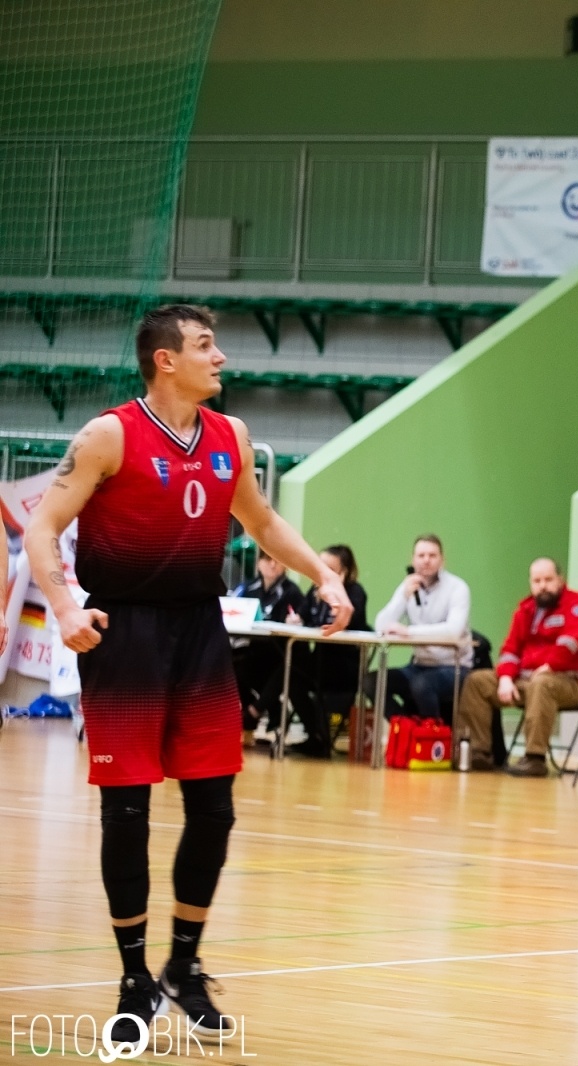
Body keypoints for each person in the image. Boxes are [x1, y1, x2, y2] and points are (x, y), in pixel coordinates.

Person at [22, 303, 351, 1044]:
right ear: (165, 360)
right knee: (127, 813)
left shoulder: (230, 435)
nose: (221, 357)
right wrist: (68, 606)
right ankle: (135, 976)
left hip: (200, 631)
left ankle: (184, 965)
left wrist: (323, 576)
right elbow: (44, 528)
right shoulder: (109, 435)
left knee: (214, 810)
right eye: (207, 346)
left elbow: (261, 522)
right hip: (125, 631)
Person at [452, 557, 578, 778]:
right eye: (537, 581)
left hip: (569, 683)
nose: (542, 586)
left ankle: (535, 758)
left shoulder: (577, 605)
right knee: (477, 681)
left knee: (542, 684)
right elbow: (510, 649)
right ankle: (479, 752)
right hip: (527, 681)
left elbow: (574, 640)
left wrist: (550, 665)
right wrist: (506, 678)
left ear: (560, 580)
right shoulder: (525, 609)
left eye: (548, 579)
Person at [280, 545, 369, 757]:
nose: (322, 572)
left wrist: (330, 605)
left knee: (308, 680)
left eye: (329, 568)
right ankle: (316, 735)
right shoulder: (314, 590)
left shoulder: (354, 592)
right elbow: (303, 616)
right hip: (317, 660)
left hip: (342, 667)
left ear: (343, 572)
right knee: (289, 676)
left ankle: (320, 737)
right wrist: (295, 619)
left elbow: (346, 621)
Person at [374, 534, 471, 721]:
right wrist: (403, 596)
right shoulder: (409, 586)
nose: (426, 560)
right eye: (421, 555)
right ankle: (406, 729)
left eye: (432, 555)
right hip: (419, 665)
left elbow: (452, 632)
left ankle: (433, 737)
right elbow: (380, 626)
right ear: (413, 559)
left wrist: (408, 632)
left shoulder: (458, 588)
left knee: (421, 685)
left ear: (442, 560)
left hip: (454, 666)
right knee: (373, 681)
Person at [230, 549, 304, 740]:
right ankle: (262, 708)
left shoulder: (292, 592)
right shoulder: (247, 588)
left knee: (277, 668)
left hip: (278, 652)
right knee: (229, 663)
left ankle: (254, 712)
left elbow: (299, 619)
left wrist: (295, 621)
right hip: (252, 649)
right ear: (258, 564)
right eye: (267, 559)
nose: (272, 564)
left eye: (277, 560)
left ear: (285, 566)